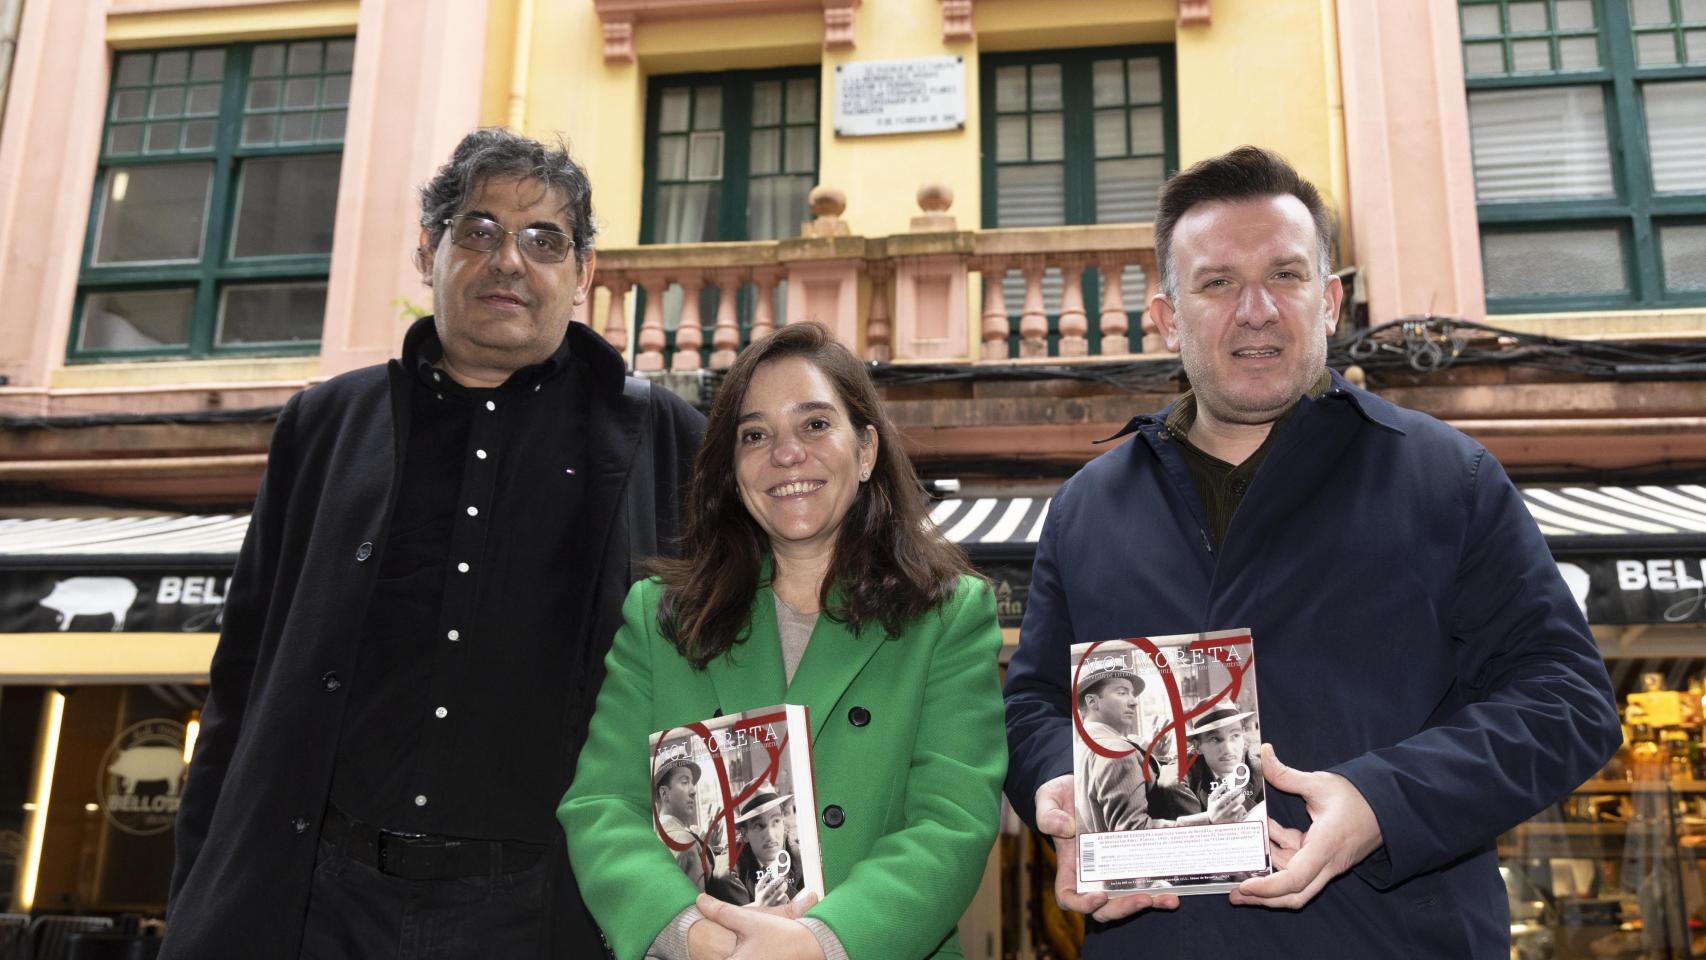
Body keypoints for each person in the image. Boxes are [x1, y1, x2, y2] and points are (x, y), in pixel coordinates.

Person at [1002, 146, 1620, 956]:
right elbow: (1035, 704)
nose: (1255, 309)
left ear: (1329, 301)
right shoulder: (1088, 506)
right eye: (1217, 282)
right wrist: (1058, 787)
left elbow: (1568, 702)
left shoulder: (1449, 479)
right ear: (1167, 316)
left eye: (1286, 276)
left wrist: (1381, 803)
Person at [163, 128, 706, 959]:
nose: (508, 261)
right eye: (478, 231)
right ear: (429, 252)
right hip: (317, 904)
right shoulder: (325, 430)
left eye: (544, 240)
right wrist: (202, 890)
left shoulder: (670, 444)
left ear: (583, 274)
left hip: (551, 914)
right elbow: (241, 686)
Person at [560, 321, 1006, 960]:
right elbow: (603, 805)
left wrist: (821, 943)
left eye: (816, 424)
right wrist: (689, 935)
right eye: (755, 434)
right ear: (731, 467)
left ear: (867, 450)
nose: (786, 453)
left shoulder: (949, 615)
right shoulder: (658, 617)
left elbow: (951, 823)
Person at [655, 750, 723, 891]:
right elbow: (699, 907)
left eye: (692, 783)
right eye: (685, 782)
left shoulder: (659, 835)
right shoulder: (683, 841)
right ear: (664, 793)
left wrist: (708, 846)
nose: (693, 791)